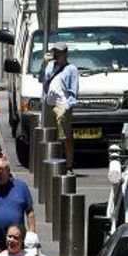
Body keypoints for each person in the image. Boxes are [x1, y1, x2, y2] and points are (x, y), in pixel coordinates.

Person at [39, 42, 79, 173]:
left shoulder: (71, 69)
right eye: (55, 51)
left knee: (65, 136)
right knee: (49, 135)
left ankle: (68, 165)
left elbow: (74, 89)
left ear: (65, 53)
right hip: (49, 103)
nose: (56, 54)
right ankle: (51, 164)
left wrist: (68, 106)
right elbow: (41, 79)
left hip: (62, 104)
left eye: (59, 52)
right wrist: (43, 64)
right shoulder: (50, 66)